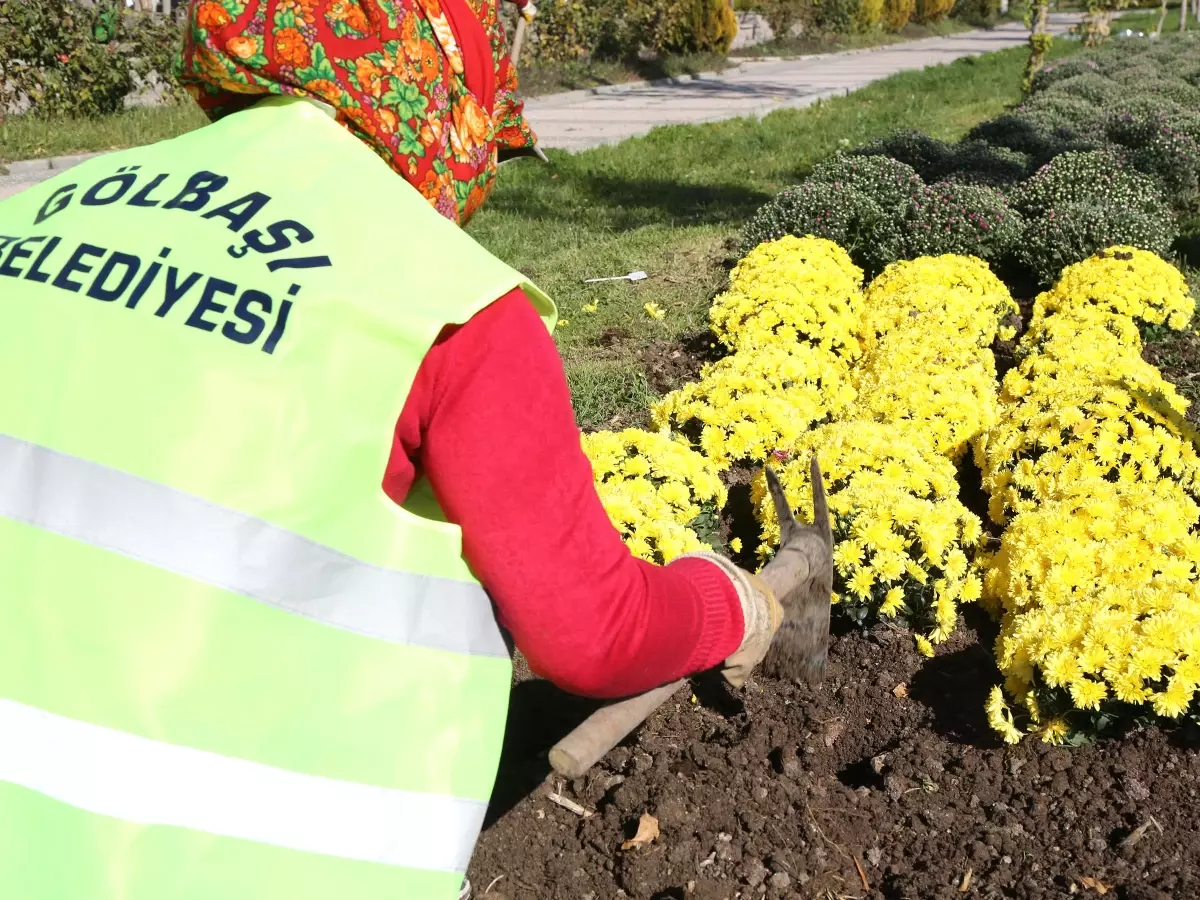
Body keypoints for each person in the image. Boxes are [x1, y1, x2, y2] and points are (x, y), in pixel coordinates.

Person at [0, 1, 788, 897]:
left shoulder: (34, 218)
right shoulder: (445, 306)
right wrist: (728, 602)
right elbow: (594, 637)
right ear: (447, 98)